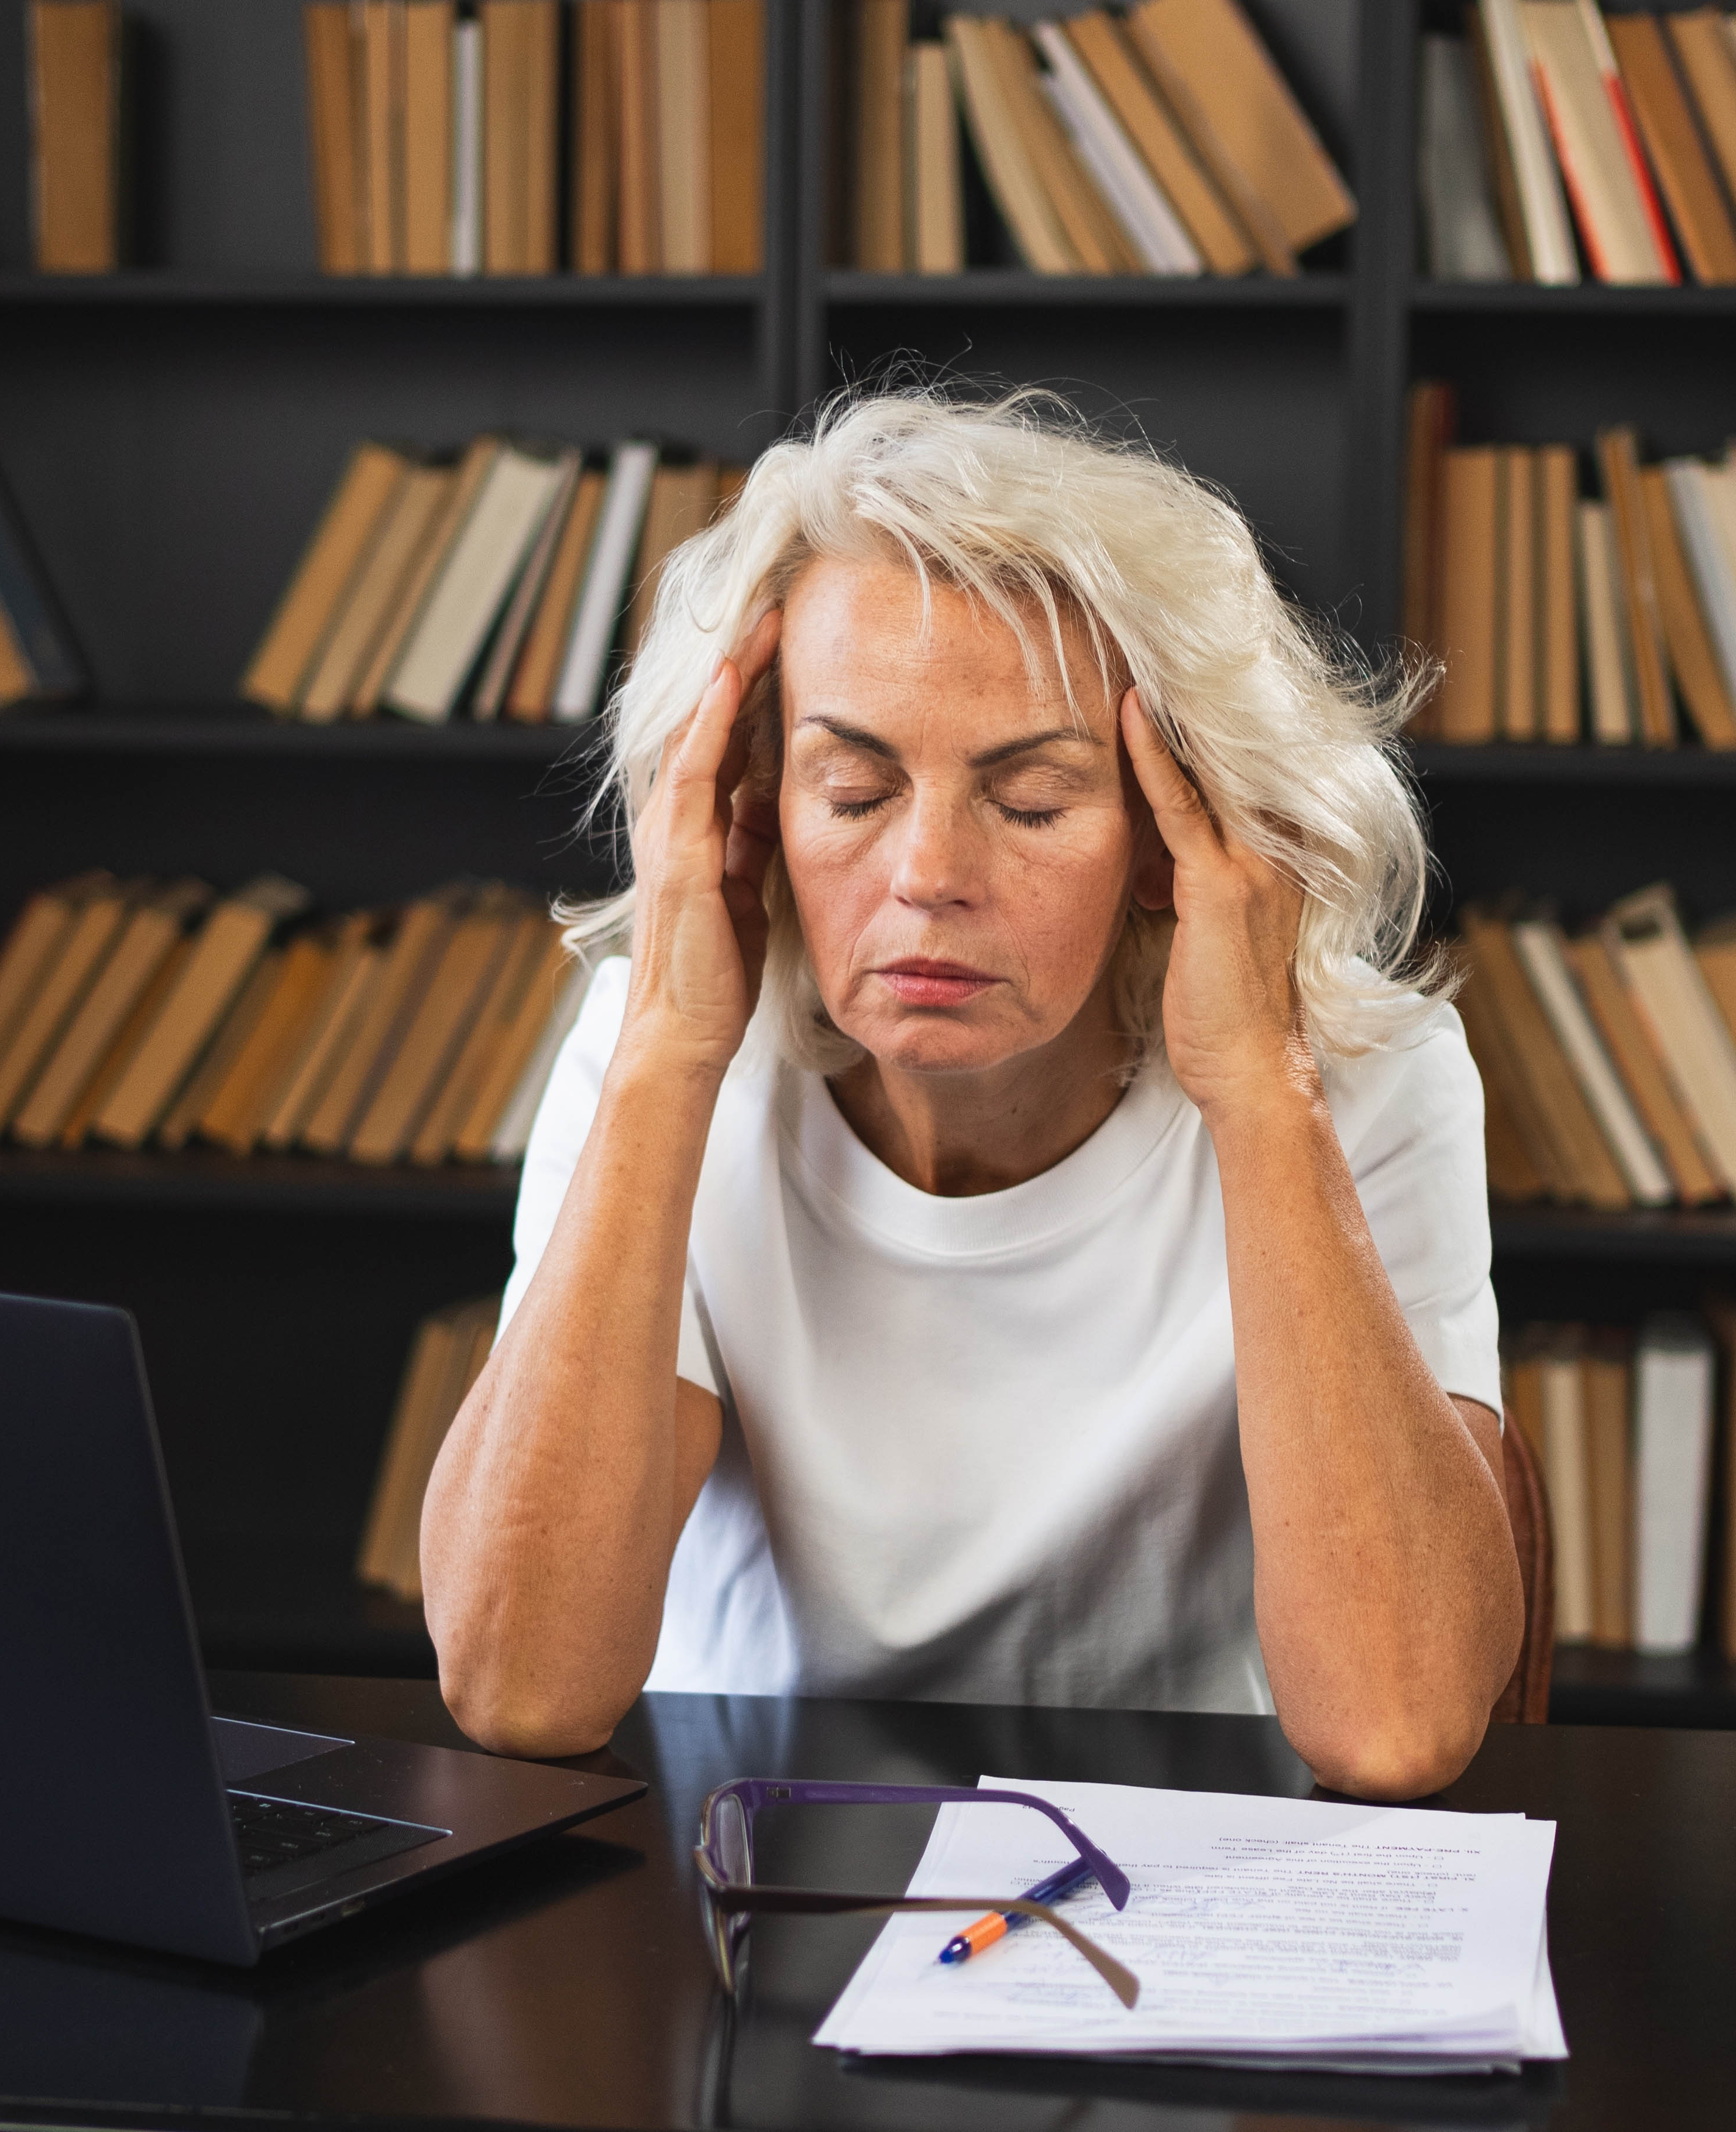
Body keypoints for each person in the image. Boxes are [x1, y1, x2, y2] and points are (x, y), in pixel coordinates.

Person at [418, 390, 1520, 1800]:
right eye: (853, 788)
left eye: (1033, 801)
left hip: (1174, 1885)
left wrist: (1256, 1093)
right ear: (750, 802)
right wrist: (666, 1062)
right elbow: (521, 1686)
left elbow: (1398, 1724)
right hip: (752, 1876)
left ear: (1170, 834)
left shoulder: (1363, 1081)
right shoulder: (657, 1054)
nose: (928, 872)